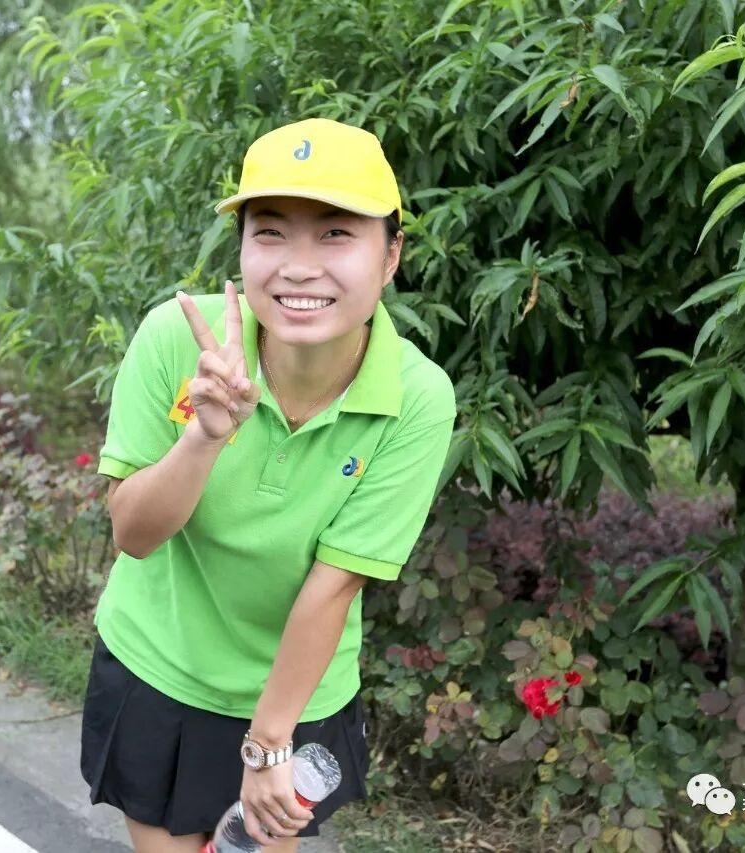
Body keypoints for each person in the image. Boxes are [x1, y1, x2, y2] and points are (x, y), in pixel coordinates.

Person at [80, 117, 457, 853]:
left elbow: (335, 584)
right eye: (272, 233)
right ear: (243, 247)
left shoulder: (417, 398)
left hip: (293, 691)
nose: (298, 267)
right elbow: (133, 533)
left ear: (390, 256)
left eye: (336, 234)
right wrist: (203, 436)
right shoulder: (176, 338)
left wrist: (268, 743)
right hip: (158, 665)